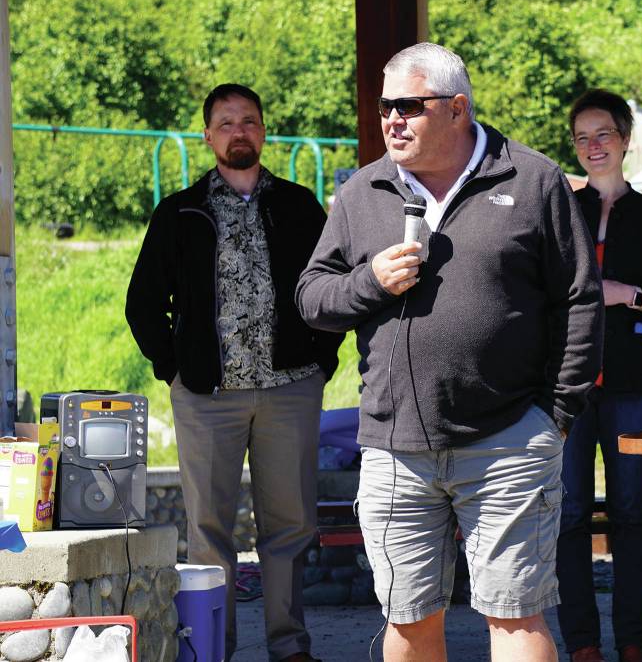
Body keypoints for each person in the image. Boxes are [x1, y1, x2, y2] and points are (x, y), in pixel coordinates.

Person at [294, 43, 603, 662]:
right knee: (408, 622)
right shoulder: (364, 191)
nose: (391, 120)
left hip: (511, 440)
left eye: (408, 106)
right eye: (385, 107)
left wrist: (556, 416)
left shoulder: (534, 180)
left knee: (515, 616)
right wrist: (370, 282)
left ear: (457, 108)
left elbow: (581, 300)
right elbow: (311, 297)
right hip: (395, 445)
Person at [125, 84, 342, 662]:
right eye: (225, 123)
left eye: (248, 121)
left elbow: (333, 288)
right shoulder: (180, 211)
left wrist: (322, 361)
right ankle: (209, 647)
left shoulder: (298, 205)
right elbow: (143, 302)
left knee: (290, 526)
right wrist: (174, 369)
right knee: (208, 531)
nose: (238, 131)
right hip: (207, 395)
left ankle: (290, 646)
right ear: (207, 137)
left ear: (264, 130)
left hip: (289, 388)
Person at [556, 89, 642, 662]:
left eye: (603, 134)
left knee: (634, 512)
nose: (593, 147)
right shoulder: (560, 210)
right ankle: (582, 643)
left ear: (626, 139)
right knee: (568, 513)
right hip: (569, 387)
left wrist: (625, 295)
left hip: (637, 389)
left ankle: (633, 640)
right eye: (582, 138)